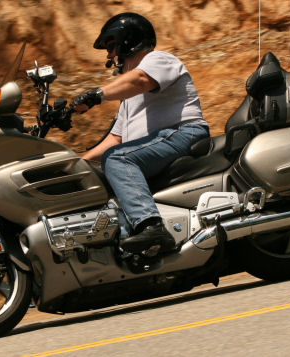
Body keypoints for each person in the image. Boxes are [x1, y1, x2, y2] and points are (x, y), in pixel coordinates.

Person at [71, 12, 209, 255]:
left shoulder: (158, 60)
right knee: (108, 163)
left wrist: (95, 95)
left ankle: (151, 226)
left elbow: (140, 79)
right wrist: (75, 163)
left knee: (117, 158)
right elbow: (115, 139)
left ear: (128, 42)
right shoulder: (127, 100)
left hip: (183, 133)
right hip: (158, 144)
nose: (109, 55)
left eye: (112, 47)